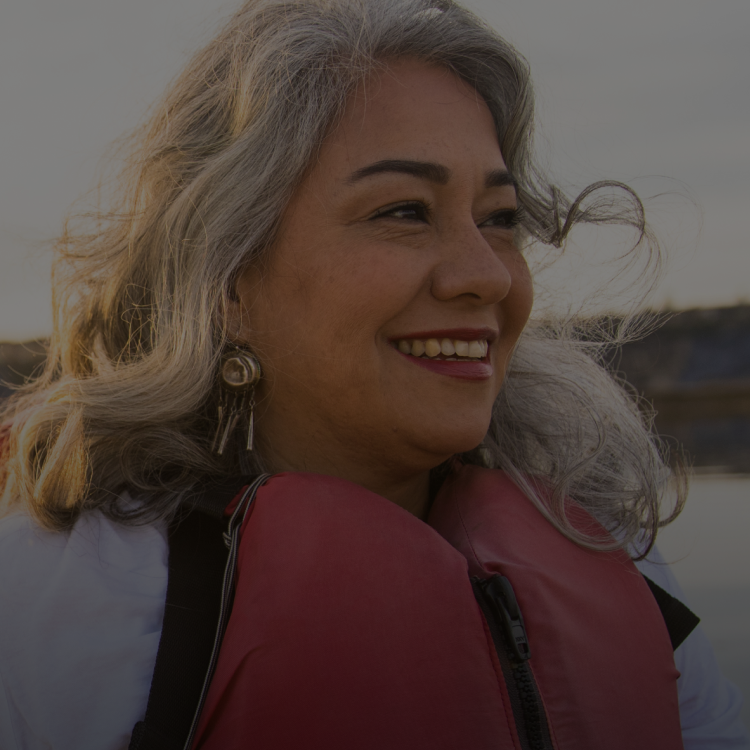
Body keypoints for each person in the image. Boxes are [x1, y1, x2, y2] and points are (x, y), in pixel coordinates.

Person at [0, 0, 747, 748]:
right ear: (226, 284)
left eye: (499, 217)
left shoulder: (606, 547)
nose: (487, 275)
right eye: (405, 212)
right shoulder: (57, 609)